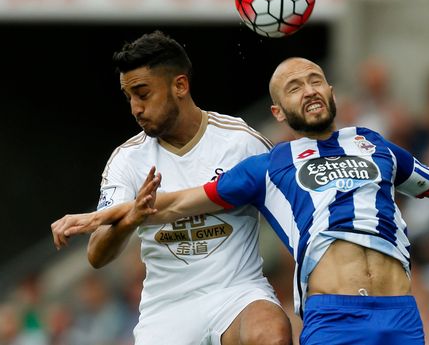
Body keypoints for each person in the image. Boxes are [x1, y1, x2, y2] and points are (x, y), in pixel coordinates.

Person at [52, 57, 429, 345]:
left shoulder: (374, 146)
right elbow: (172, 203)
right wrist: (97, 217)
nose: (307, 88)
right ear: (280, 113)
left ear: (332, 93)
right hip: (335, 318)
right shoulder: (268, 165)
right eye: (292, 87)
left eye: (314, 79)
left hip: (401, 315)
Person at [62, 31, 291, 345]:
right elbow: (97, 254)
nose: (135, 108)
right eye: (129, 97)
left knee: (271, 332)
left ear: (180, 85)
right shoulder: (127, 160)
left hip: (237, 293)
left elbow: (290, 211)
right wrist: (132, 218)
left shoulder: (241, 142)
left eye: (143, 94)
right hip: (167, 309)